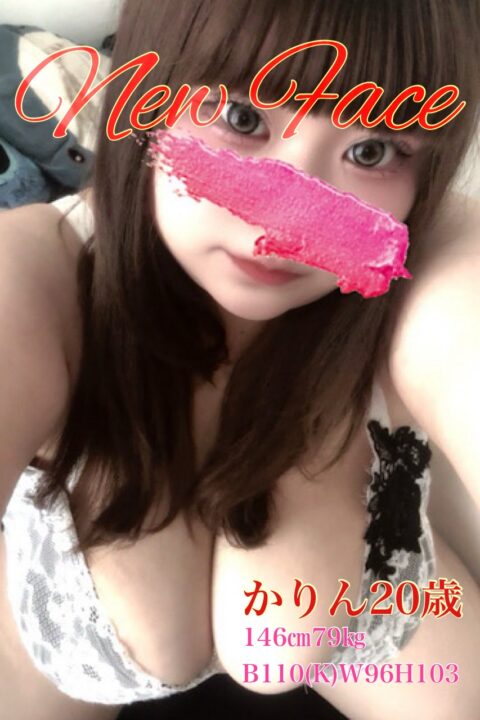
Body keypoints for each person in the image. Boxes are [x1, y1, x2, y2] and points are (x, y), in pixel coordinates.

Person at [0, 1, 479, 719]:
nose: (286, 223)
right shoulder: (35, 276)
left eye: (371, 150)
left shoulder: (428, 260)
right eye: (244, 117)